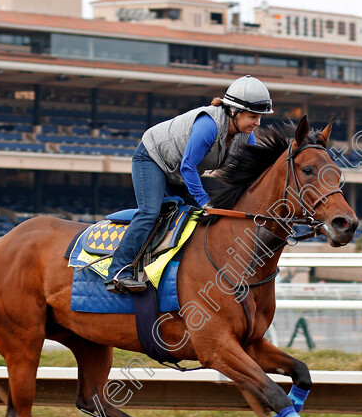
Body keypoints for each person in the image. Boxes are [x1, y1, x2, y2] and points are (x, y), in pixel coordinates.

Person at [105, 75, 274, 294]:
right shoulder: (208, 126)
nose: (258, 123)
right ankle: (118, 272)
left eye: (260, 117)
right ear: (234, 111)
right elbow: (188, 167)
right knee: (150, 212)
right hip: (152, 159)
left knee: (193, 217)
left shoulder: (246, 135)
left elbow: (253, 174)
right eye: (253, 116)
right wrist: (206, 202)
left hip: (177, 170)